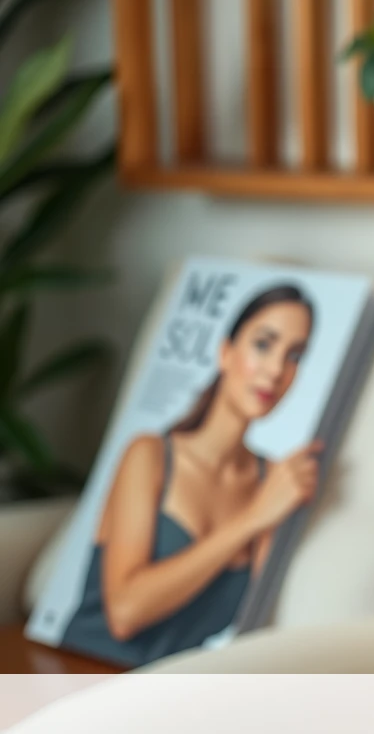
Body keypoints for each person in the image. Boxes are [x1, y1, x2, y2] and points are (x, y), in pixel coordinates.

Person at [58, 284, 324, 667]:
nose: (276, 369)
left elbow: (264, 631)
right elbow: (125, 613)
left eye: (294, 354)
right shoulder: (149, 455)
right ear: (225, 352)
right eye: (264, 345)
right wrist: (251, 520)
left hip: (169, 698)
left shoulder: (273, 483)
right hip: (80, 673)